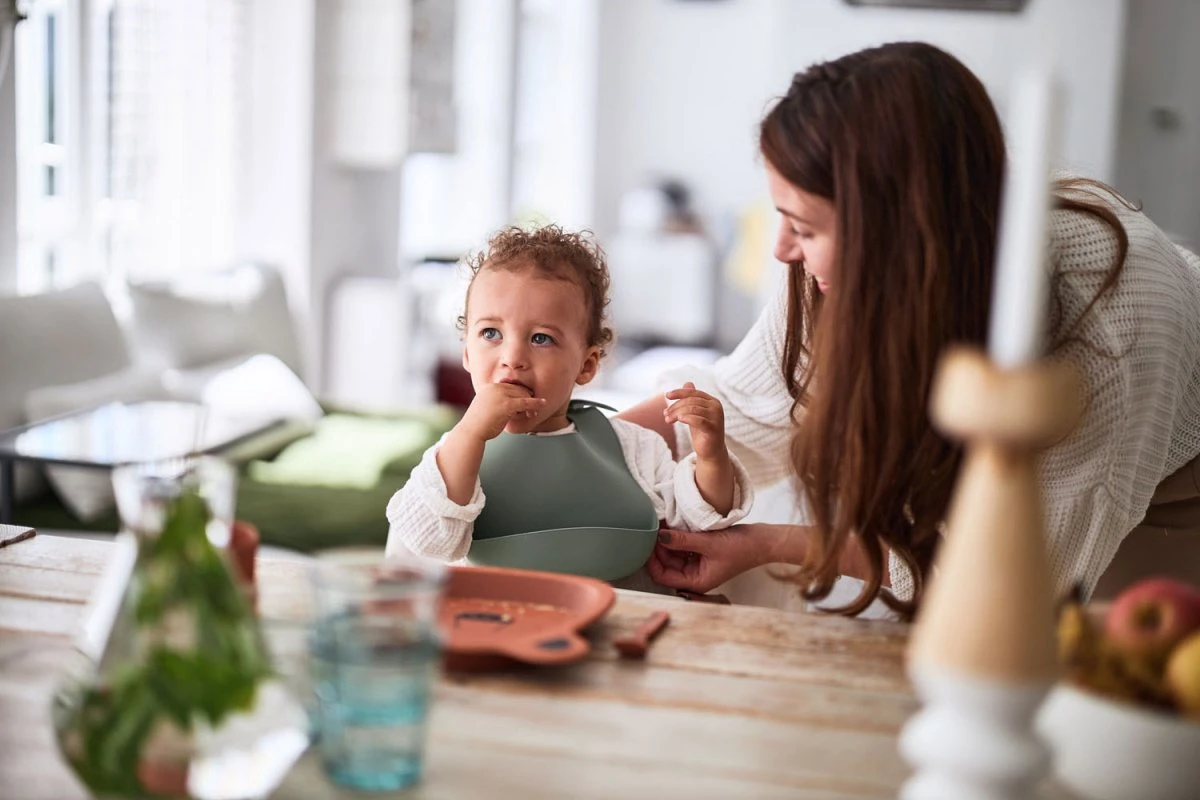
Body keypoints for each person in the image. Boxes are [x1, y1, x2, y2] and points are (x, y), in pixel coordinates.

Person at [619, 41, 1200, 620]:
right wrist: (567, 442)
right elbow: (743, 413)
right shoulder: (833, 258)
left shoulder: (1103, 329)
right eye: (784, 217)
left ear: (895, 235)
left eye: (805, 228)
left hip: (1174, 499)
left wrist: (771, 542)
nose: (781, 249)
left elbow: (994, 584)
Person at [386, 224, 753, 588]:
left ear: (587, 365)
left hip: (621, 628)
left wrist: (711, 456)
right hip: (498, 626)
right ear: (466, 353)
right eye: (491, 333)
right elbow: (426, 542)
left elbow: (702, 521)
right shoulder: (453, 454)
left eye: (541, 338)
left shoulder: (633, 447)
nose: (512, 357)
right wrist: (468, 433)